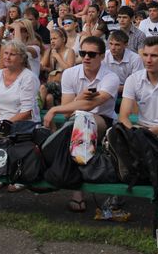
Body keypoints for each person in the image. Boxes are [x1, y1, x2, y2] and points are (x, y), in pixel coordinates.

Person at [43, 35, 120, 212]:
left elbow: (90, 105)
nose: (86, 57)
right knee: (78, 124)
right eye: (83, 53)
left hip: (103, 121)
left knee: (82, 120)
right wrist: (79, 98)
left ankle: (70, 186)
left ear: (102, 56)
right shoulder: (70, 73)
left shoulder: (110, 77)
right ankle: (77, 184)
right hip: (74, 122)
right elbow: (68, 111)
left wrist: (54, 109)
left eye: (92, 54)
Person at [0, 41, 41, 192]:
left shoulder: (28, 77)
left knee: (9, 134)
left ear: (22, 58)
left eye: (12, 54)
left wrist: (4, 125)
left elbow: (26, 111)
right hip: (0, 121)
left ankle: (21, 173)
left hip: (23, 123)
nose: (7, 57)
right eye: (6, 53)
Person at [40, 27, 75, 108]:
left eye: (55, 38)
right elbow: (52, 70)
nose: (52, 41)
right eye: (51, 39)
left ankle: (36, 110)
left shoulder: (70, 51)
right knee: (49, 98)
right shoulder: (52, 52)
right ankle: (51, 116)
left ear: (63, 39)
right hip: (53, 83)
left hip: (64, 84)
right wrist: (45, 68)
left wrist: (57, 56)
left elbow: (69, 69)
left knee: (43, 87)